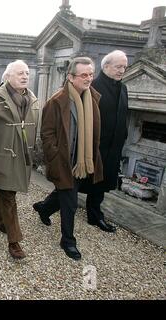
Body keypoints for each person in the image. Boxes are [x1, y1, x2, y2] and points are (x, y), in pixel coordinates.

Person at [33, 57, 103, 260]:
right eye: (84, 75)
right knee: (70, 202)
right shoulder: (57, 101)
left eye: (91, 74)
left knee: (64, 193)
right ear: (71, 77)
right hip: (65, 161)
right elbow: (46, 133)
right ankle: (68, 241)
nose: (89, 78)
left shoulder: (93, 98)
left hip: (83, 160)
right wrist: (54, 156)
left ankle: (43, 208)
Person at [0, 60, 39, 259]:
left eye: (26, 72)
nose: (25, 76)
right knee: (9, 196)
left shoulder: (32, 99)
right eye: (20, 73)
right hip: (2, 157)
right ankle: (14, 241)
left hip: (23, 156)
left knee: (8, 192)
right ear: (8, 77)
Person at [79, 50, 129, 233]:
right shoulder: (93, 86)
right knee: (75, 182)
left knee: (101, 183)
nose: (122, 70)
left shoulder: (123, 88)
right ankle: (47, 206)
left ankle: (94, 215)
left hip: (113, 146)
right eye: (118, 66)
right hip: (95, 146)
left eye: (124, 66)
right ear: (106, 66)